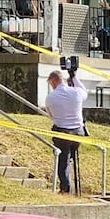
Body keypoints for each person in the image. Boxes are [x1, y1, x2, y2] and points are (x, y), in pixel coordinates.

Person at [44, 61, 87, 195]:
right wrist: (74, 77)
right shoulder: (76, 92)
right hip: (78, 132)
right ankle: (77, 188)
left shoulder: (50, 97)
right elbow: (84, 91)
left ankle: (65, 189)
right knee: (73, 158)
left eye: (51, 84)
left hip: (62, 132)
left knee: (63, 161)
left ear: (54, 82)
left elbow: (50, 115)